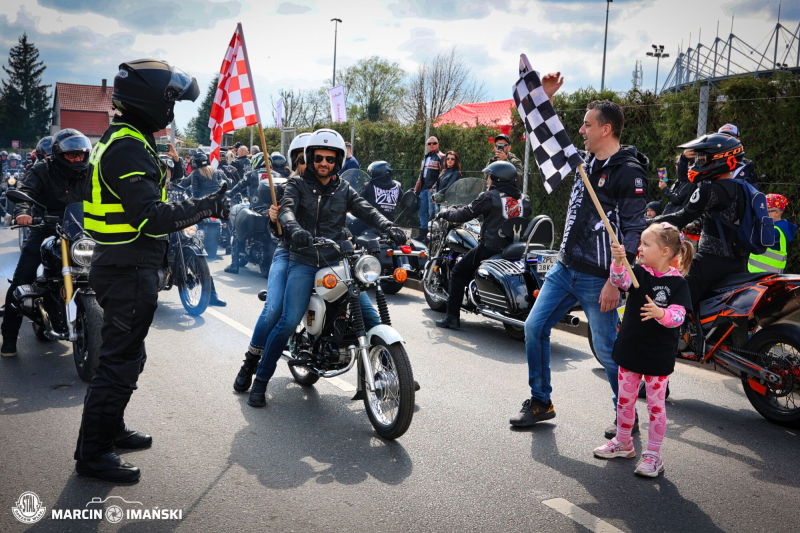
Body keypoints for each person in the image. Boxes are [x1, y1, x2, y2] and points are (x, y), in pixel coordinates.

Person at [73, 59, 229, 483]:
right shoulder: (127, 146)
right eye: (171, 100)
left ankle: (110, 429)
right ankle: (93, 452)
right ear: (150, 101)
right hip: (126, 267)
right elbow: (150, 217)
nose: (173, 109)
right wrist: (208, 205)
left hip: (127, 264)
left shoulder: (129, 140)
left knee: (130, 356)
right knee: (118, 361)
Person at [510, 92, 648, 437]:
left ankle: (626, 416)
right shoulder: (585, 160)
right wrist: (546, 97)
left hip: (600, 278)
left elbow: (634, 233)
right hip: (564, 268)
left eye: (587, 124)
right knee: (533, 328)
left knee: (606, 349)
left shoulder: (629, 173)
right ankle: (541, 402)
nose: (581, 130)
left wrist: (615, 282)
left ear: (606, 129)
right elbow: (549, 137)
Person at [239, 128, 407, 407]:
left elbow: (365, 208)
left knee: (370, 316)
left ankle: (394, 372)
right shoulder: (296, 185)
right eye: (318, 157)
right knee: (287, 319)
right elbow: (287, 210)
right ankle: (261, 381)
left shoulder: (343, 187)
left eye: (330, 158)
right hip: (303, 259)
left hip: (336, 260)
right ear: (310, 157)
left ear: (338, 160)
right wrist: (294, 228)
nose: (324, 163)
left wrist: (389, 226)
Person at [593, 223, 693, 478]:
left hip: (657, 357)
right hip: (630, 351)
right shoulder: (637, 271)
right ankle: (623, 442)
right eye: (641, 243)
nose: (640, 247)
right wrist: (618, 262)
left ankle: (653, 455)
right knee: (625, 402)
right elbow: (620, 281)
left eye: (646, 244)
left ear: (665, 251)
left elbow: (679, 316)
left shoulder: (678, 284)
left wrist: (662, 313)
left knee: (656, 408)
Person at [0, 129, 93, 357]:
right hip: (46, 227)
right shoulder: (43, 169)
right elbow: (25, 191)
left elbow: (110, 194)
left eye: (81, 155)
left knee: (109, 270)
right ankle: (9, 338)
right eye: (72, 155)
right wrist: (23, 212)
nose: (77, 159)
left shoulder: (91, 171)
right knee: (22, 278)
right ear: (59, 154)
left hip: (81, 230)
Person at [653, 133, 749, 308]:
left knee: (671, 304)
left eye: (703, 159)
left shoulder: (710, 189)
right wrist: (699, 227)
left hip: (709, 264)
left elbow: (681, 217)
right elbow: (727, 220)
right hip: (738, 264)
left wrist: (645, 223)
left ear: (718, 160)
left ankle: (672, 334)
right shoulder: (744, 188)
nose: (698, 164)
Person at [435, 161, 531, 330]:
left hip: (491, 248)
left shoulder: (489, 197)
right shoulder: (524, 199)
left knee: (458, 272)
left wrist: (445, 213)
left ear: (497, 179)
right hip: (516, 249)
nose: (487, 180)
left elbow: (464, 214)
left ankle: (451, 317)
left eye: (489, 177)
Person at [748, 194, 796, 274]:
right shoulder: (778, 228)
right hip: (764, 274)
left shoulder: (775, 231)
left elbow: (754, 238)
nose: (762, 214)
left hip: (765, 276)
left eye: (765, 211)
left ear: (776, 212)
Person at [416, 137, 445, 242]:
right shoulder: (425, 157)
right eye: (429, 143)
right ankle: (423, 233)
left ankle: (431, 235)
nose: (432, 145)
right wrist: (416, 188)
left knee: (432, 212)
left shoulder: (441, 157)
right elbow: (421, 175)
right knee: (421, 210)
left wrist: (434, 187)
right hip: (423, 189)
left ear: (438, 144)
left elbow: (443, 174)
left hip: (432, 190)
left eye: (434, 143)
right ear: (427, 145)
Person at [718, 124, 758, 188]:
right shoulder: (711, 164)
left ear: (738, 139)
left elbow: (754, 191)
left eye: (730, 137)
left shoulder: (747, 165)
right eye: (722, 137)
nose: (726, 141)